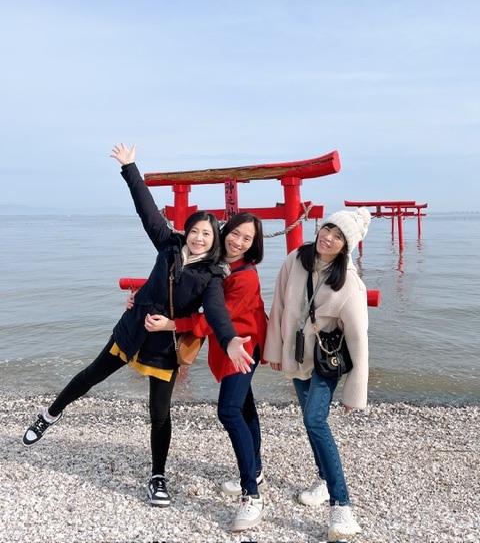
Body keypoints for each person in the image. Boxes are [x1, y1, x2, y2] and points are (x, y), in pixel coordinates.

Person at [22, 143, 254, 509]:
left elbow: (216, 314)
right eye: (195, 230)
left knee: (160, 416)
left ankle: (157, 476)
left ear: (214, 242)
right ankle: (49, 415)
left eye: (207, 235)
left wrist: (228, 341)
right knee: (89, 376)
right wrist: (131, 168)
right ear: (187, 230)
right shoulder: (168, 246)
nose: (198, 238)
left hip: (164, 350)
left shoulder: (211, 277)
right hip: (131, 332)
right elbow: (146, 211)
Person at [130, 212, 268, 532]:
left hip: (243, 349)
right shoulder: (213, 263)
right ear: (224, 232)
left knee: (230, 411)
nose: (237, 242)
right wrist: (139, 299)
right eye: (233, 234)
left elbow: (210, 321)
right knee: (245, 407)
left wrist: (172, 325)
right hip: (230, 350)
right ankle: (256, 468)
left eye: (246, 239)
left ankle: (252, 494)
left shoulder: (245, 276)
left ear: (253, 245)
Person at [263, 207, 371, 541]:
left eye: (338, 236)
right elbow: (279, 305)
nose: (328, 237)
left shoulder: (350, 285)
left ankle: (342, 507)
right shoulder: (296, 258)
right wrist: (274, 351)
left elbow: (358, 341)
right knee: (310, 420)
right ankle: (325, 481)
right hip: (296, 355)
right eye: (327, 229)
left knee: (314, 421)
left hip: (325, 362)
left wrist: (354, 394)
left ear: (345, 247)